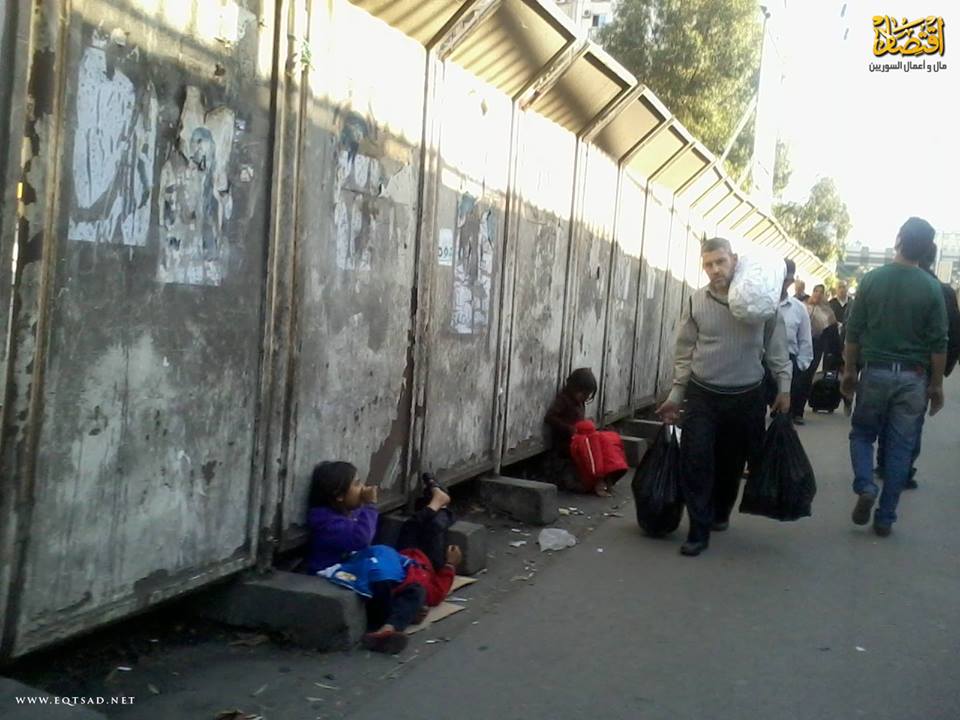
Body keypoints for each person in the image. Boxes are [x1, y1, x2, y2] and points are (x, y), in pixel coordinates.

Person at [656, 238, 792, 557]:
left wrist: (784, 387)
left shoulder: (760, 302)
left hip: (746, 396)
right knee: (696, 460)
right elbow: (684, 351)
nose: (715, 269)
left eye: (721, 261)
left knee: (731, 464)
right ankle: (698, 530)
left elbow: (777, 348)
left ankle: (720, 512)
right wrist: (676, 394)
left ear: (734, 260)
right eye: (708, 264)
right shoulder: (697, 301)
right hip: (703, 395)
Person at [841, 217, 948, 537]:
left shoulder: (872, 280)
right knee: (901, 448)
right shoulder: (931, 288)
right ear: (927, 249)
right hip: (914, 378)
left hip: (875, 371)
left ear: (899, 238)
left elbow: (853, 332)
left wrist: (850, 370)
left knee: (862, 434)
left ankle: (866, 485)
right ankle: (886, 517)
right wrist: (936, 385)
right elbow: (938, 343)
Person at [307, 462, 462, 653]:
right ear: (339, 496)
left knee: (415, 590)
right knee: (386, 574)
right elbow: (361, 539)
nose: (362, 488)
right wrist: (370, 505)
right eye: (356, 484)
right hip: (339, 572)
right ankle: (393, 621)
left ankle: (389, 628)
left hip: (364, 569)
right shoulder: (325, 520)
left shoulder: (347, 510)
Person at [875, 241, 960, 489]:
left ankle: (883, 463)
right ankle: (903, 469)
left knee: (886, 414)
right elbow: (953, 334)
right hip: (922, 368)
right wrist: (942, 373)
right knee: (912, 420)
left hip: (885, 361)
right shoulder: (943, 291)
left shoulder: (888, 282)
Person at [544, 368, 612, 495]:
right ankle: (592, 480)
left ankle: (600, 478)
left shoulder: (579, 403)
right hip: (565, 443)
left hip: (578, 440)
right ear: (573, 388)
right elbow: (550, 417)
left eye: (587, 395)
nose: (585, 398)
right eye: (583, 394)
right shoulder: (564, 400)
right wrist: (568, 428)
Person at [770, 259, 814, 418]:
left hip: (789, 363)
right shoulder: (762, 304)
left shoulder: (798, 308)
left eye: (786, 279)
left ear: (791, 281)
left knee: (783, 418)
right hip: (763, 365)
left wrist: (800, 366)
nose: (782, 282)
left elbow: (805, 341)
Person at [794, 284, 839, 423]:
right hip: (797, 346)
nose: (817, 294)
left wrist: (836, 355)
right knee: (793, 377)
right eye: (815, 291)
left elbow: (833, 335)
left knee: (806, 379)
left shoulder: (827, 313)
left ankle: (798, 412)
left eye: (821, 292)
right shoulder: (801, 306)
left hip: (815, 348)